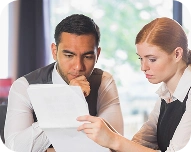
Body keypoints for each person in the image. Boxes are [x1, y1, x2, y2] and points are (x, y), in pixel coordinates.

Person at [4, 14, 124, 152]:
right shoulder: (24, 86)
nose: (78, 66)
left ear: (98, 55)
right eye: (69, 55)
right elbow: (15, 149)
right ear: (54, 52)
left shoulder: (104, 81)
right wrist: (67, 100)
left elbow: (114, 145)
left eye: (88, 56)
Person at [77, 17, 191, 152]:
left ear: (177, 54)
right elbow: (143, 141)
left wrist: (113, 139)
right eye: (141, 58)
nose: (143, 67)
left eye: (152, 59)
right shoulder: (166, 92)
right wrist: (108, 135)